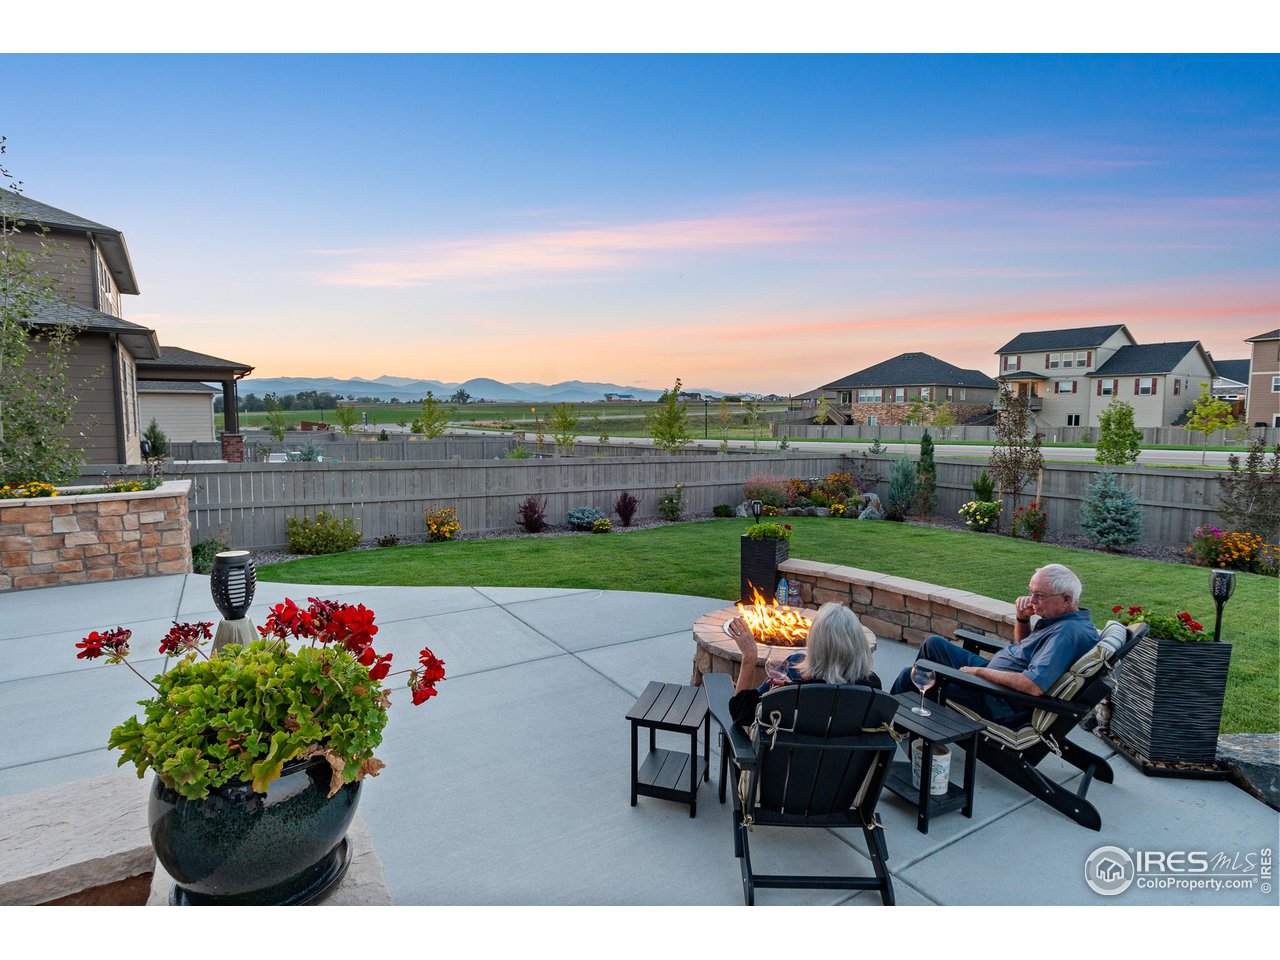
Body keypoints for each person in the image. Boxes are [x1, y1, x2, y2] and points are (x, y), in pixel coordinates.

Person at [890, 563, 1099, 726]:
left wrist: (980, 672)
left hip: (998, 701)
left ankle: (888, 729)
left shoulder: (1066, 635)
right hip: (996, 680)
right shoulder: (1064, 621)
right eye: (1031, 592)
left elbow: (1032, 686)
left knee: (911, 676)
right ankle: (917, 715)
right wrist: (1022, 619)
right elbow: (1025, 649)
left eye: (1040, 595)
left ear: (1066, 599)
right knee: (933, 644)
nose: (1032, 600)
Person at [728, 602, 881, 728]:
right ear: (859, 643)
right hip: (848, 757)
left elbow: (740, 713)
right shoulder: (873, 688)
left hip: (788, 757)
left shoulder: (794, 676)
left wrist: (749, 657)